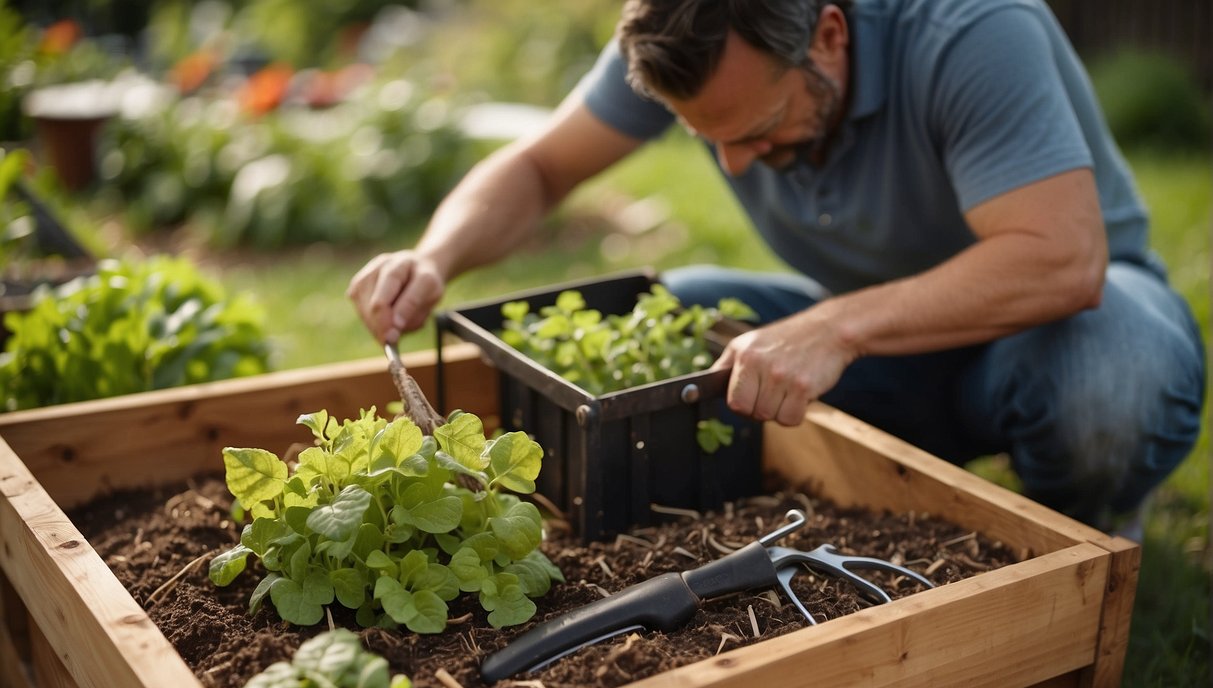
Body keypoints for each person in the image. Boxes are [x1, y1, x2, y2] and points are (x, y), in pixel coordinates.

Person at [347, 0, 1206, 533]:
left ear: (828, 34)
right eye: (707, 141)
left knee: (1110, 381)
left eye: (757, 128)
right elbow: (540, 167)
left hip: (1057, 329)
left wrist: (835, 327)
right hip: (888, 345)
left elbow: (1061, 259)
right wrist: (433, 255)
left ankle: (1076, 526)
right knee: (670, 315)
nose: (735, 167)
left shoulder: (971, 28)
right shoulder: (686, 28)